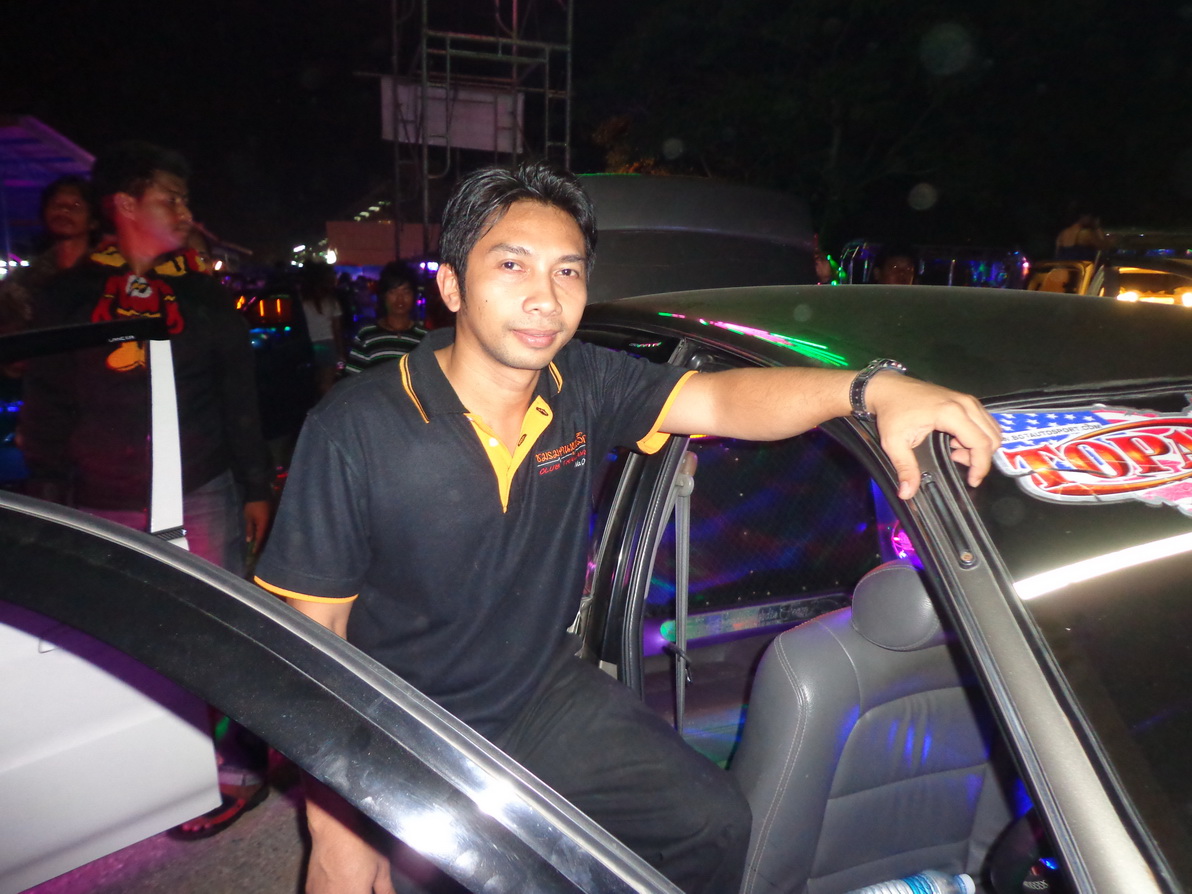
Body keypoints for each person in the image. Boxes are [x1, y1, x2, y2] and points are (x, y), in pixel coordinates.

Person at [253, 160, 1001, 894]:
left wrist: (872, 390)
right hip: (402, 720)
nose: (544, 298)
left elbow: (721, 400)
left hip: (537, 692)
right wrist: (337, 829)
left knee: (711, 825)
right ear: (451, 285)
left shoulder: (582, 380)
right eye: (511, 265)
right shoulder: (357, 427)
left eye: (567, 272)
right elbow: (315, 644)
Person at [19, 141, 275, 836]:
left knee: (220, 630)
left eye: (186, 200)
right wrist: (49, 489)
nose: (186, 212)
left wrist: (254, 485)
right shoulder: (72, 295)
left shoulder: (203, 296)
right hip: (102, 495)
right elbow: (48, 403)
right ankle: (147, 764)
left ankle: (238, 766)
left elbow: (238, 397)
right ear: (126, 205)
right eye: (172, 198)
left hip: (201, 490)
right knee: (125, 637)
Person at [0, 174, 100, 328]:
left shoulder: (107, 272)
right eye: (56, 205)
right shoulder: (25, 280)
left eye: (75, 206)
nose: (64, 212)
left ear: (93, 221)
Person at [343, 260, 426, 374]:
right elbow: (352, 378)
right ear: (384, 296)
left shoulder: (424, 338)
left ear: (414, 296)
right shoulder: (367, 335)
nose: (400, 299)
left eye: (406, 292)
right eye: (393, 292)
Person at [301, 261, 344, 395]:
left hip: (310, 345)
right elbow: (336, 329)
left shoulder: (303, 302)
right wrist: (340, 351)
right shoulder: (331, 302)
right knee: (327, 384)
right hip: (327, 344)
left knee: (316, 381)